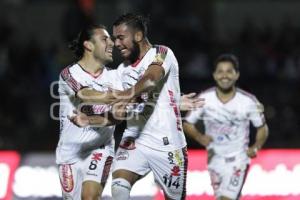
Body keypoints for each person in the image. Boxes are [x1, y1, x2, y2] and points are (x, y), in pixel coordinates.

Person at [76, 13, 195, 200]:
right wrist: (90, 119)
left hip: (168, 144)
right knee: (119, 187)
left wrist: (124, 96)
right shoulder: (122, 70)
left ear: (138, 36)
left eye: (121, 37)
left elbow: (149, 80)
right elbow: (119, 115)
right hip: (135, 140)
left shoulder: (162, 53)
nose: (116, 43)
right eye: (114, 39)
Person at [183, 54, 269, 200]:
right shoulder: (204, 98)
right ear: (214, 75)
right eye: (220, 71)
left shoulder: (248, 101)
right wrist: (199, 137)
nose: (225, 75)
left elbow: (262, 128)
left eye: (229, 71)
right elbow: (187, 123)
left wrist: (256, 146)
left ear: (237, 75)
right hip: (214, 159)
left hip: (238, 160)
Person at [56, 23, 124, 200]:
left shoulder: (115, 76)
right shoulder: (68, 74)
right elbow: (85, 94)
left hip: (100, 148)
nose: (112, 44)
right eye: (104, 39)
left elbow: (118, 116)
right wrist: (115, 96)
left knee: (90, 197)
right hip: (70, 152)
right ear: (88, 45)